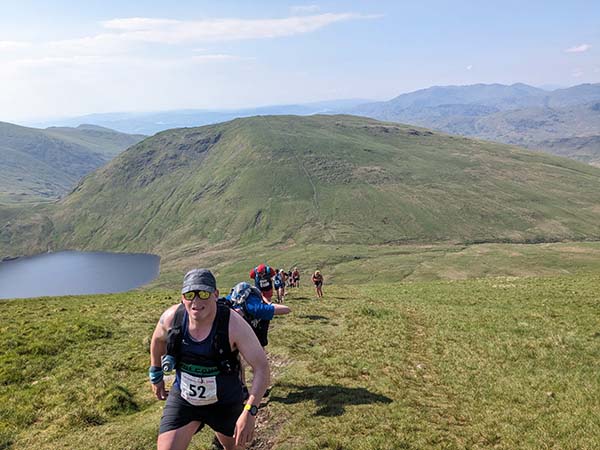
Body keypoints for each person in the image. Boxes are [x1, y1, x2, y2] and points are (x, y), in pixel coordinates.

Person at [150, 269, 270, 450]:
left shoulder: (234, 324)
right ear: (182, 297)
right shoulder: (172, 318)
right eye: (190, 294)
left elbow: (262, 368)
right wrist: (156, 373)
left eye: (203, 293)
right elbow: (157, 340)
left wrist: (250, 411)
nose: (196, 301)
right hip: (184, 400)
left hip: (225, 403)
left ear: (215, 294)